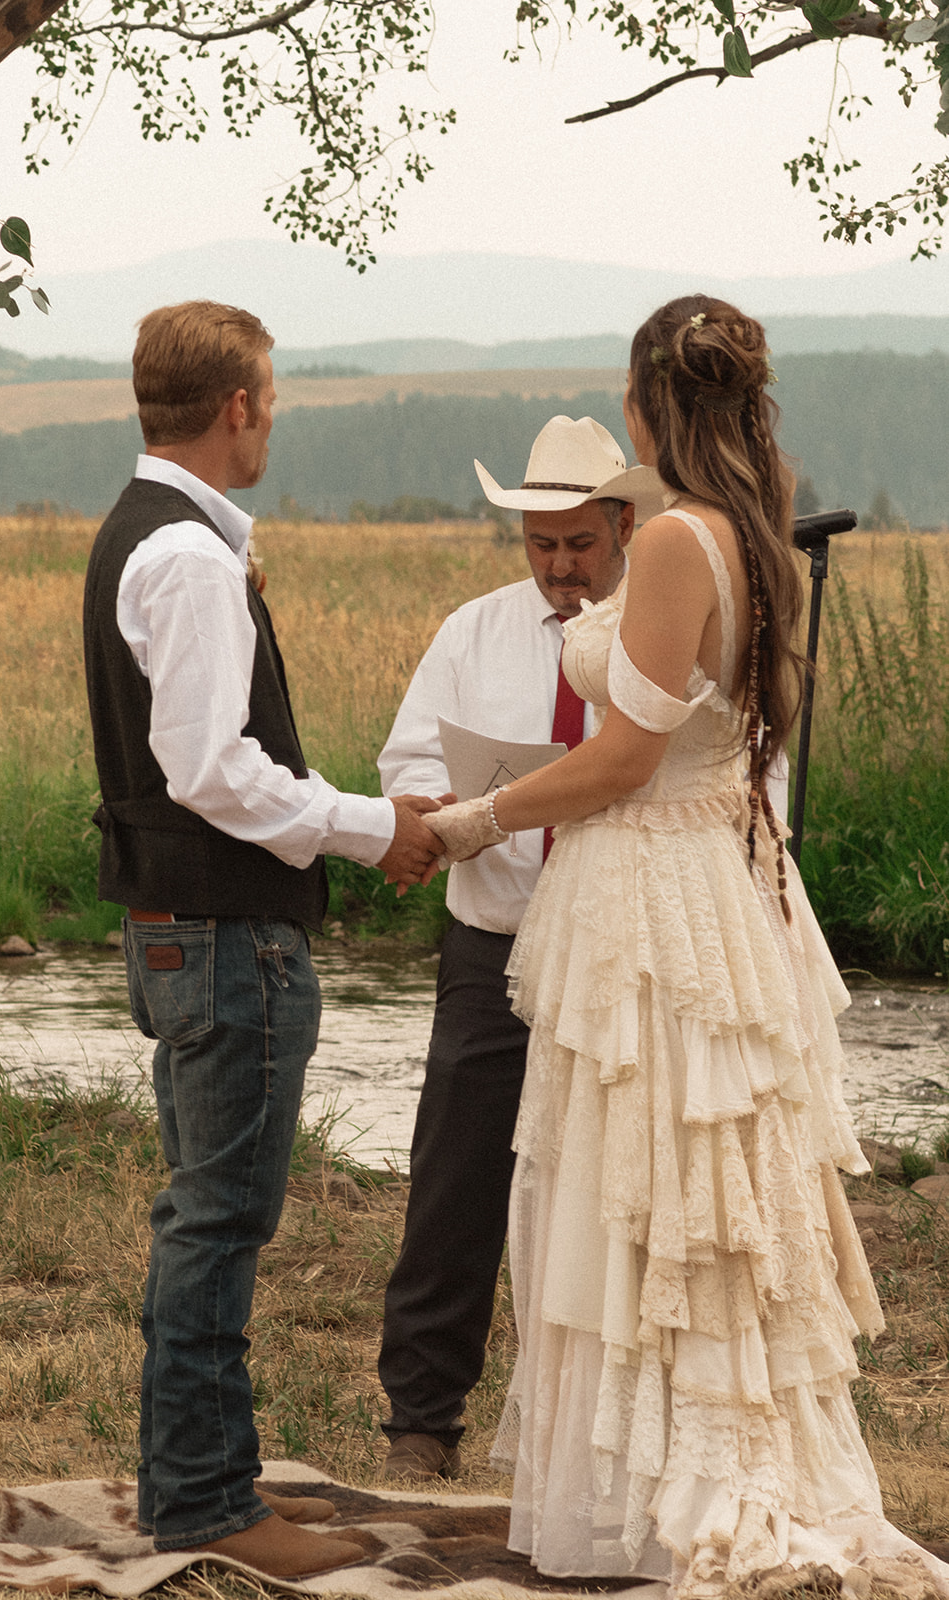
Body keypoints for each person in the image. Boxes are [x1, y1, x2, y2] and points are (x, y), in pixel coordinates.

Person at [429, 296, 949, 1596]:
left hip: (654, 894)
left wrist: (473, 815)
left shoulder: (670, 541)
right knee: (685, 1192)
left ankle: (690, 1495)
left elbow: (621, 756)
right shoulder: (753, 535)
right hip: (711, 873)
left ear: (646, 401)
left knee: (653, 1190)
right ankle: (664, 1477)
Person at [82, 300, 442, 1581]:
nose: (272, 419)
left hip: (190, 929)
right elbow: (210, 773)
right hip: (229, 937)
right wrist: (369, 826)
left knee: (207, 1217)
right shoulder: (184, 555)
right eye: (270, 400)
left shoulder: (154, 533)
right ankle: (202, 1502)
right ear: (236, 405)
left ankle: (208, 1480)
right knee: (217, 1223)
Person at [376, 415, 665, 1481]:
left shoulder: (661, 628)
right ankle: (420, 1419)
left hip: (618, 952)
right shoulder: (472, 631)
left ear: (621, 525)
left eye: (576, 544)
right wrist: (436, 801)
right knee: (452, 1180)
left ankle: (608, 1426)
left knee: (619, 1184)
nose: (555, 566)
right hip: (489, 942)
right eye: (538, 544)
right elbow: (404, 751)